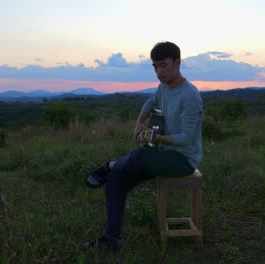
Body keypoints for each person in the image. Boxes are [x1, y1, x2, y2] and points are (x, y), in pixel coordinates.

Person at [83, 41, 203, 250]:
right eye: (155, 66)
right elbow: (150, 102)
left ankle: (110, 164)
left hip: (183, 160)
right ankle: (111, 238)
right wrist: (138, 123)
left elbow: (187, 138)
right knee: (116, 179)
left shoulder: (190, 95)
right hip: (164, 155)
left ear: (177, 62)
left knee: (140, 157)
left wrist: (156, 138)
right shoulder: (163, 88)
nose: (159, 72)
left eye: (164, 65)